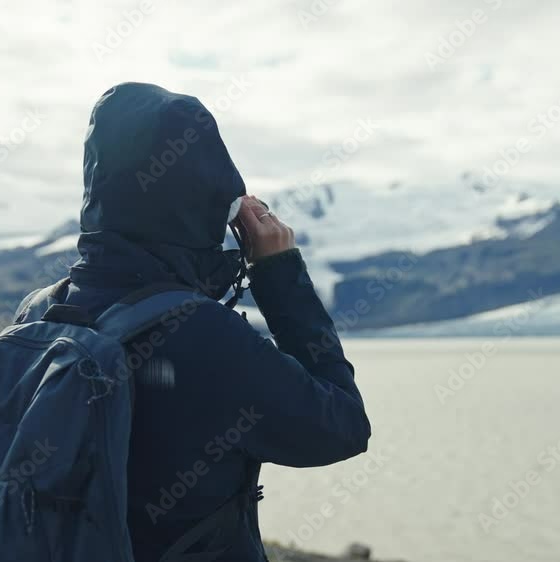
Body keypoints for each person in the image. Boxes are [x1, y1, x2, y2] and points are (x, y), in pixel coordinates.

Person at [51, 82, 370, 561]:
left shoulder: (42, 313)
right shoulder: (201, 337)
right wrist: (280, 276)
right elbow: (342, 426)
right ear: (207, 197)